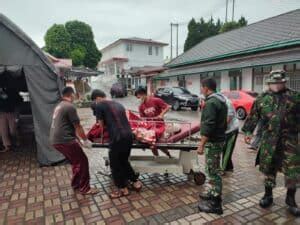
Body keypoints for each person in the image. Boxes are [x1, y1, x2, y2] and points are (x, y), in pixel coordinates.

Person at [242, 70, 300, 217]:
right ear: (269, 83)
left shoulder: (295, 97)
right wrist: (248, 132)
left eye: (279, 82)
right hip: (270, 141)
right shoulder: (262, 99)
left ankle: (291, 200)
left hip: (290, 141)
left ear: (284, 82)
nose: (276, 85)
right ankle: (268, 196)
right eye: (274, 82)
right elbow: (253, 116)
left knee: (293, 172)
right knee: (269, 169)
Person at [91, 89, 142, 199]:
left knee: (115, 164)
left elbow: (100, 125)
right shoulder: (118, 104)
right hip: (129, 136)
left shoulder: (99, 105)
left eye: (95, 101)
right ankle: (136, 182)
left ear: (97, 98)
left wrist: (98, 135)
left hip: (117, 137)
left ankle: (122, 189)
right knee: (123, 161)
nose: (95, 103)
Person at [50, 87, 99, 195]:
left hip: (56, 140)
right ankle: (85, 188)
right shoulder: (69, 107)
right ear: (71, 95)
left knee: (76, 161)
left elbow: (67, 126)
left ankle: (76, 184)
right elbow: (78, 126)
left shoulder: (60, 105)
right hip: (64, 140)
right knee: (82, 161)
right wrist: (86, 140)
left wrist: (79, 140)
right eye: (75, 95)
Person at [197, 78, 227, 215]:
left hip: (213, 142)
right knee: (212, 169)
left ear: (206, 88)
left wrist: (201, 144)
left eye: (201, 88)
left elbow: (208, 125)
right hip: (219, 139)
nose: (200, 90)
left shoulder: (211, 103)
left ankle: (216, 204)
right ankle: (212, 192)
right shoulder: (221, 100)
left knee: (213, 172)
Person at [135, 86, 171, 157]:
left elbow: (168, 107)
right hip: (150, 127)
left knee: (158, 143)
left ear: (143, 94)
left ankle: (168, 154)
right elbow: (142, 118)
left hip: (159, 125)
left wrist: (161, 115)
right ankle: (157, 158)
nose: (139, 100)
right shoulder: (141, 107)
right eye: (137, 98)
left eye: (139, 97)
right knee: (151, 142)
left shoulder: (156, 100)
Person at [221, 94, 239, 173]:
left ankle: (222, 169)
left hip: (232, 130)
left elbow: (227, 120)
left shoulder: (227, 103)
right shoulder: (218, 102)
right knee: (224, 149)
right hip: (225, 130)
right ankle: (229, 167)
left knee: (228, 150)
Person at [0, 88, 22, 152]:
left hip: (12, 112)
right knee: (3, 131)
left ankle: (16, 140)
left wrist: (17, 114)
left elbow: (19, 101)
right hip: (1, 113)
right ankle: (7, 146)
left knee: (13, 130)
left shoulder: (11, 90)